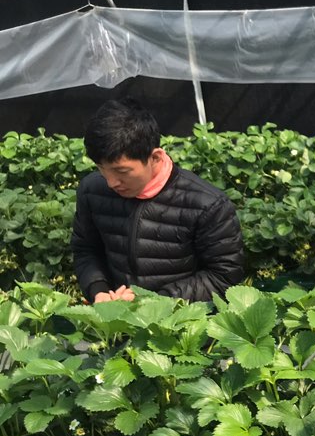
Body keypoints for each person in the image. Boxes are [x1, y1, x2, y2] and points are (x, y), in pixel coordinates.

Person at [72, 99, 244, 303]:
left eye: (122, 171)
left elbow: (224, 277)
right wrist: (98, 290)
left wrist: (157, 301)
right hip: (116, 315)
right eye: (101, 168)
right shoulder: (92, 191)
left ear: (155, 158)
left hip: (182, 318)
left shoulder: (208, 205)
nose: (111, 182)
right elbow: (86, 250)